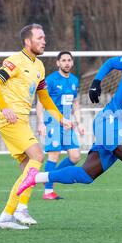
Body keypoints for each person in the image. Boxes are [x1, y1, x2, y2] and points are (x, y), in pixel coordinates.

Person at [16, 43, 122, 230]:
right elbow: (111, 63)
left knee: (85, 175)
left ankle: (34, 177)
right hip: (108, 121)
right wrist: (96, 82)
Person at [0, 23, 73, 230]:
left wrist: (61, 118)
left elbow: (44, 97)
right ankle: (7, 216)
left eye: (44, 38)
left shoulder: (40, 66)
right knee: (38, 156)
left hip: (21, 121)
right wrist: (4, 107)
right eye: (40, 38)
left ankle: (20, 208)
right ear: (28, 41)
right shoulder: (14, 61)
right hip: (10, 120)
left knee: (29, 170)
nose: (44, 41)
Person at [36, 51, 85, 200]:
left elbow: (75, 103)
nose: (67, 63)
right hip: (52, 121)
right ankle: (48, 192)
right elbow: (40, 102)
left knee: (75, 157)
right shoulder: (50, 80)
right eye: (63, 60)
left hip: (67, 123)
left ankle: (48, 177)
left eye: (69, 60)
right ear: (58, 63)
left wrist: (79, 122)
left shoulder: (74, 81)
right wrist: (41, 123)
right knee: (54, 156)